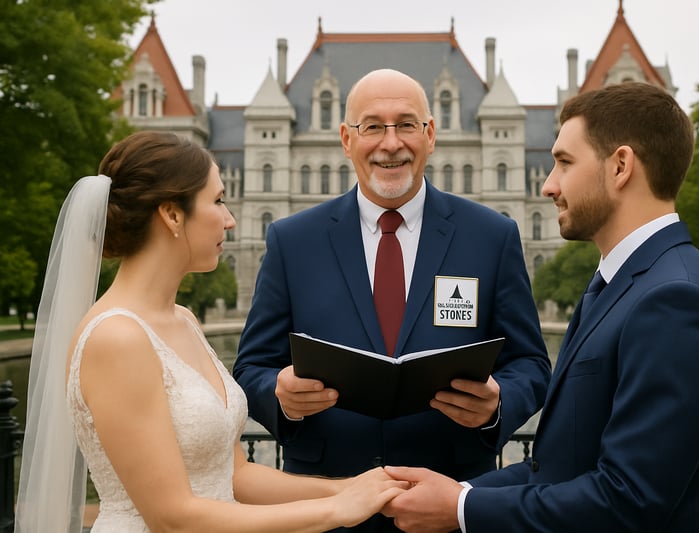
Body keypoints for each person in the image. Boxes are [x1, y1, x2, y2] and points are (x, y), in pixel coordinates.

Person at [382, 81, 699, 532]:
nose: (548, 186)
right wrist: (458, 493)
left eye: (563, 163)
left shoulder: (677, 301)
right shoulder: (622, 284)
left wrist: (460, 511)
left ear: (620, 167)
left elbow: (630, 499)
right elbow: (559, 470)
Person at [14, 131, 407, 532]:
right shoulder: (117, 338)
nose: (231, 219)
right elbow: (173, 518)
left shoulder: (184, 320)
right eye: (218, 200)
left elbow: (234, 476)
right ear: (172, 214)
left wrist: (348, 488)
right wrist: (336, 512)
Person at [233, 68, 551, 531]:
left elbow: (531, 364)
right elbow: (251, 368)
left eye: (406, 124)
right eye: (373, 127)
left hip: (451, 506)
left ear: (430, 134)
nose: (390, 143)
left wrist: (497, 405)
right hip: (325, 510)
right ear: (346, 139)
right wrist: (280, 396)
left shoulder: (491, 236)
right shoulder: (292, 240)